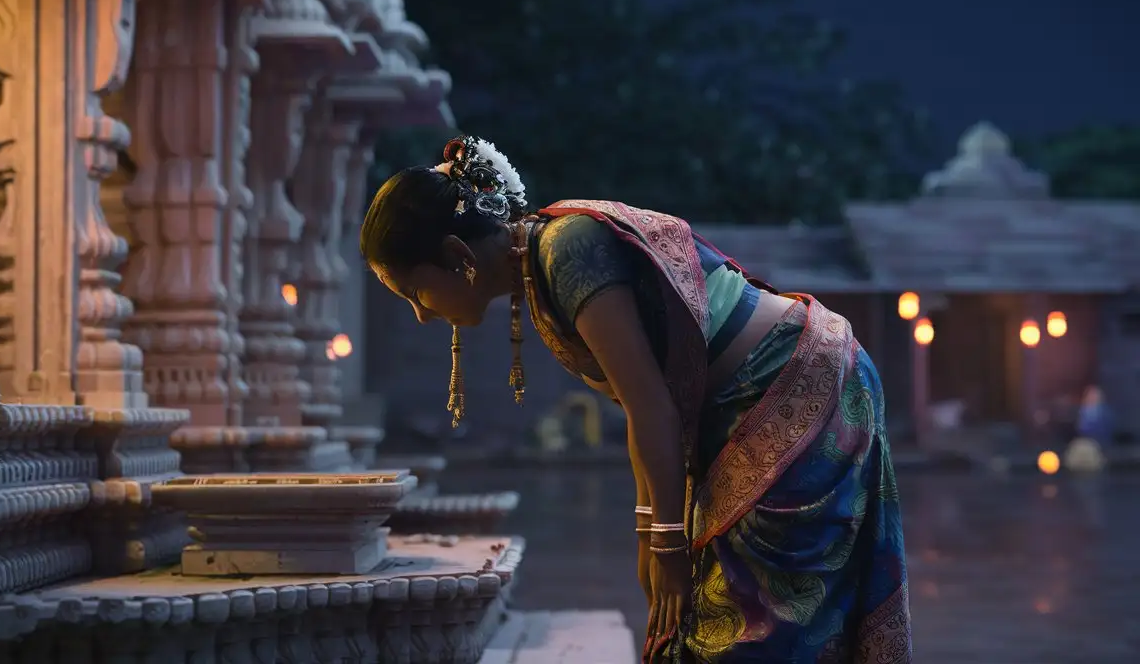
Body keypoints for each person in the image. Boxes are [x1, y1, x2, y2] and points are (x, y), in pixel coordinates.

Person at [360, 136, 911, 663]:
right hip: (747, 410)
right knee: (692, 628)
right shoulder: (541, 265)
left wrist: (667, 543)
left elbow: (651, 407)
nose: (422, 314)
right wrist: (653, 533)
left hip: (799, 384)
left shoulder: (567, 249)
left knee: (757, 633)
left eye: (415, 293)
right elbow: (646, 410)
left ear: (458, 256)